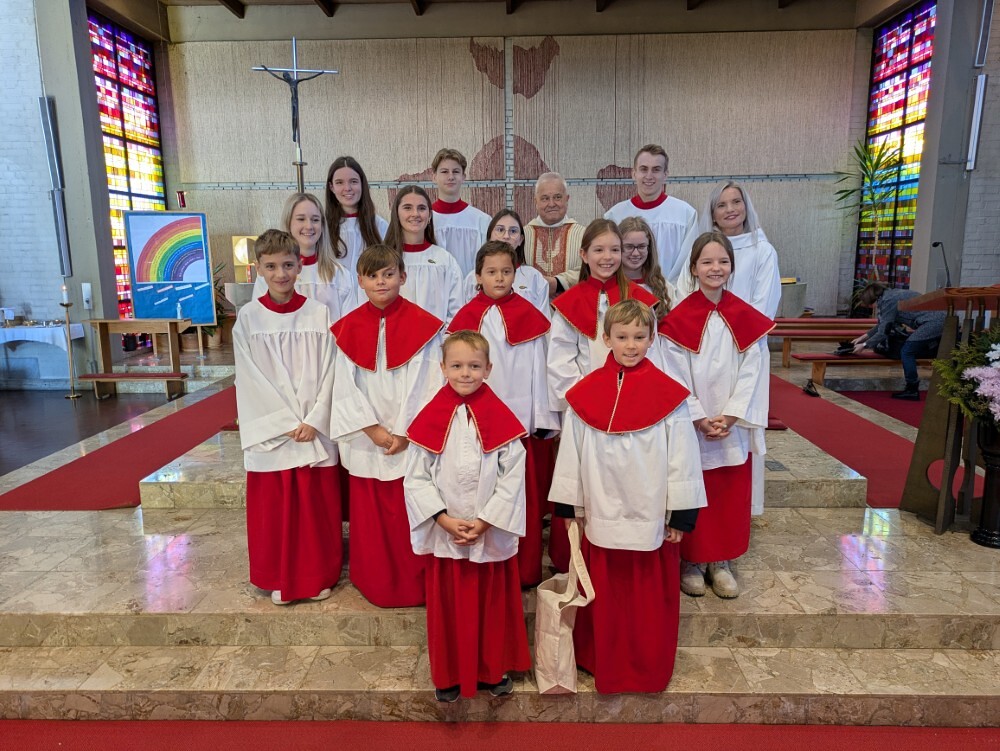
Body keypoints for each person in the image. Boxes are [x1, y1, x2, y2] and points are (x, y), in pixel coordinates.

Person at [549, 299, 706, 694]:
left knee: (645, 598)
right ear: (606, 339)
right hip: (600, 511)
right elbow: (571, 453)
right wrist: (570, 505)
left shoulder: (671, 397)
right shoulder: (584, 395)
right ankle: (602, 659)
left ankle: (645, 665)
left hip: (650, 515)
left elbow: (683, 458)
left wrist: (680, 515)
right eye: (622, 337)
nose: (631, 345)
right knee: (606, 594)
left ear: (652, 339)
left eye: (639, 337)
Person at [404, 331, 531, 702]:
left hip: (488, 532)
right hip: (446, 533)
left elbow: (513, 476)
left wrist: (487, 520)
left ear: (488, 369)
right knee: (448, 608)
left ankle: (492, 671)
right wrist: (442, 519)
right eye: (457, 365)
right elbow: (415, 478)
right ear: (442, 368)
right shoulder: (429, 416)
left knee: (491, 606)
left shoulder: (501, 417)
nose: (465, 373)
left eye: (474, 366)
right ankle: (449, 674)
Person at [660, 232, 774, 599]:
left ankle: (721, 561)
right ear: (693, 268)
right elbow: (673, 372)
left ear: (732, 267)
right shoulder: (677, 320)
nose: (715, 268)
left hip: (731, 424)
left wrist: (733, 414)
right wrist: (697, 415)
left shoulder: (745, 317)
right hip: (694, 424)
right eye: (707, 261)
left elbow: (753, 370)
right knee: (694, 489)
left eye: (723, 261)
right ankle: (692, 561)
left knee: (727, 492)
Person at [330, 244, 444, 607]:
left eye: (389, 274)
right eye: (373, 276)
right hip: (367, 439)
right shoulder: (347, 328)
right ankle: (375, 581)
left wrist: (405, 432)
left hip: (409, 437)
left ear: (402, 277)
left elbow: (429, 382)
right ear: (360, 281)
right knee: (371, 517)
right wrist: (373, 430)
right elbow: (343, 385)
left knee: (409, 508)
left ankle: (414, 582)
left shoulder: (425, 326)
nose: (381, 282)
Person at [234, 229, 341, 606]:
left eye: (287, 265)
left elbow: (332, 369)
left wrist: (316, 418)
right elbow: (247, 378)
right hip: (274, 433)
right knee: (276, 510)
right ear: (259, 269)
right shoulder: (248, 318)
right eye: (271, 266)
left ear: (299, 266)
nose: (280, 273)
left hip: (313, 427)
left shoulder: (319, 314)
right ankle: (277, 576)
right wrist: (284, 423)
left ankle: (317, 576)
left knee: (315, 508)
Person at [448, 241, 559, 586]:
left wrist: (541, 419)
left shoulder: (530, 316)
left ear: (516, 274)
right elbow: (456, 372)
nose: (499, 278)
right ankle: (484, 568)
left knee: (518, 497)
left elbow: (540, 370)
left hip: (520, 422)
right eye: (492, 272)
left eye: (506, 271)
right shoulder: (465, 318)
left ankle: (522, 570)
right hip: (476, 424)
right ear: (478, 276)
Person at [676, 181, 781, 517]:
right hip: (699, 345)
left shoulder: (762, 250)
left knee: (734, 467)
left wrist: (735, 323)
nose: (730, 209)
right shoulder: (696, 254)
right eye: (721, 204)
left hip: (743, 343)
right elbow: (683, 299)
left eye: (736, 202)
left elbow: (763, 306)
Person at [252, 193, 357, 322]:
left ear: (322, 225)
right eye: (301, 219)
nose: (309, 226)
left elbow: (350, 326)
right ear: (288, 223)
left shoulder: (340, 275)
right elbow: (259, 320)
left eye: (315, 220)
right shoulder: (270, 274)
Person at [603, 145, 699, 284]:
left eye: (656, 170)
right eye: (643, 169)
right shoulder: (614, 215)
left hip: (671, 293)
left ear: (665, 175)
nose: (649, 176)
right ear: (634, 173)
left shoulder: (685, 214)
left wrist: (669, 291)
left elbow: (688, 262)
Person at [852, 282, 946, 400]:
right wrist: (863, 337)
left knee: (907, 352)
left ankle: (912, 389)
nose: (873, 308)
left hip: (933, 322)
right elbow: (883, 324)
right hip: (936, 320)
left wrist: (865, 345)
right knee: (911, 349)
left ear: (873, 299)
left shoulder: (888, 301)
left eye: (870, 305)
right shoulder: (890, 296)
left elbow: (883, 332)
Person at [383, 185, 463, 322]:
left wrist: (439, 335)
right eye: (408, 208)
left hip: (437, 335)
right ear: (396, 213)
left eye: (421, 208)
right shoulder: (382, 261)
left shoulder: (444, 260)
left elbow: (457, 312)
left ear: (429, 215)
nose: (415, 214)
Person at [462, 209, 550, 315]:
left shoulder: (534, 278)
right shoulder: (472, 278)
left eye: (513, 231)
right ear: (489, 235)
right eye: (500, 230)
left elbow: (542, 320)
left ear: (521, 239)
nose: (506, 236)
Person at [324, 156, 389, 283]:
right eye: (339, 182)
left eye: (353, 181)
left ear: (362, 184)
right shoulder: (322, 227)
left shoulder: (379, 225)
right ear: (331, 187)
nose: (347, 188)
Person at [522, 172, 585, 297]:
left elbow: (590, 270)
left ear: (567, 199)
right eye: (545, 198)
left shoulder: (584, 234)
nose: (551, 204)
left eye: (557, 197)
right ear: (536, 201)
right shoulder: (522, 235)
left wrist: (559, 283)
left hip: (571, 305)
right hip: (531, 305)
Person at [430, 148, 491, 277]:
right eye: (444, 172)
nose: (450, 177)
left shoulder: (480, 221)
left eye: (456, 171)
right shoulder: (425, 220)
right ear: (434, 177)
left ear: (463, 177)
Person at [618, 216, 674, 312]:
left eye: (641, 246)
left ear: (649, 248)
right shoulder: (609, 287)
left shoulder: (664, 287)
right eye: (629, 247)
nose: (635, 253)